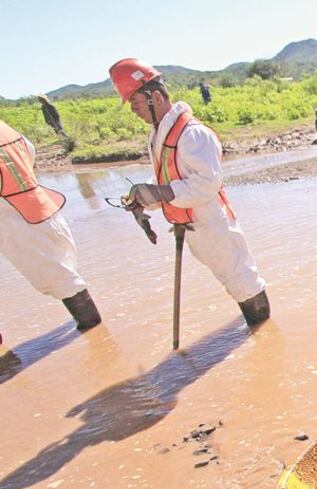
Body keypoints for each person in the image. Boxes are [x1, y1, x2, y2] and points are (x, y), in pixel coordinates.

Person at [108, 58, 270, 326]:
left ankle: (264, 333)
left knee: (241, 280)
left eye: (135, 104)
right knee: (231, 280)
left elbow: (206, 184)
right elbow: (169, 176)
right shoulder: (160, 132)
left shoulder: (193, 134)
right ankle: (259, 334)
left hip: (211, 222)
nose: (134, 111)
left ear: (156, 97)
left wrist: (157, 193)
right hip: (193, 222)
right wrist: (143, 198)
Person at [0, 119, 101, 330]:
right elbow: (30, 150)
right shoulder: (5, 129)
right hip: (40, 205)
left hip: (16, 219)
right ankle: (95, 333)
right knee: (63, 274)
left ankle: (93, 330)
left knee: (61, 280)